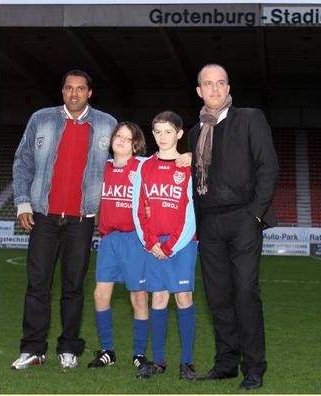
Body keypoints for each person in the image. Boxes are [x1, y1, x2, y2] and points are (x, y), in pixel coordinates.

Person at [11, 69, 117, 370]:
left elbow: (128, 155)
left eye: (80, 89)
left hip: (81, 219)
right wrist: (22, 203)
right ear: (62, 91)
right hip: (44, 216)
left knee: (73, 287)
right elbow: (23, 161)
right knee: (38, 286)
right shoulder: (40, 119)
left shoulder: (107, 124)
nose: (74, 94)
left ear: (89, 93)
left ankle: (69, 348)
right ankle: (32, 349)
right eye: (69, 88)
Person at [188, 64, 278, 390]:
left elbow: (268, 167)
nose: (214, 89)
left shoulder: (251, 118)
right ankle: (226, 364)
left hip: (243, 219)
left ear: (228, 87)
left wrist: (254, 214)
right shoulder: (196, 132)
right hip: (210, 224)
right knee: (218, 298)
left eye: (220, 82)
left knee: (244, 294)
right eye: (207, 84)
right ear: (199, 91)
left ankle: (254, 368)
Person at [132, 111, 198, 380]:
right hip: (153, 245)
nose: (162, 137)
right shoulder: (144, 166)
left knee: (184, 298)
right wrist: (150, 242)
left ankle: (187, 363)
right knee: (157, 299)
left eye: (168, 132)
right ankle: (158, 361)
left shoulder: (188, 166)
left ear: (180, 134)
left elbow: (191, 212)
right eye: (157, 131)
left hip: (181, 245)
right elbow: (138, 208)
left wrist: (170, 246)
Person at [86, 121, 155, 378]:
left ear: (136, 144)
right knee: (100, 295)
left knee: (138, 297)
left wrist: (186, 156)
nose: (122, 140)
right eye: (119, 135)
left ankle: (138, 354)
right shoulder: (101, 167)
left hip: (135, 241)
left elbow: (167, 163)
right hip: (109, 240)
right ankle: (107, 351)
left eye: (128, 138)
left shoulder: (143, 166)